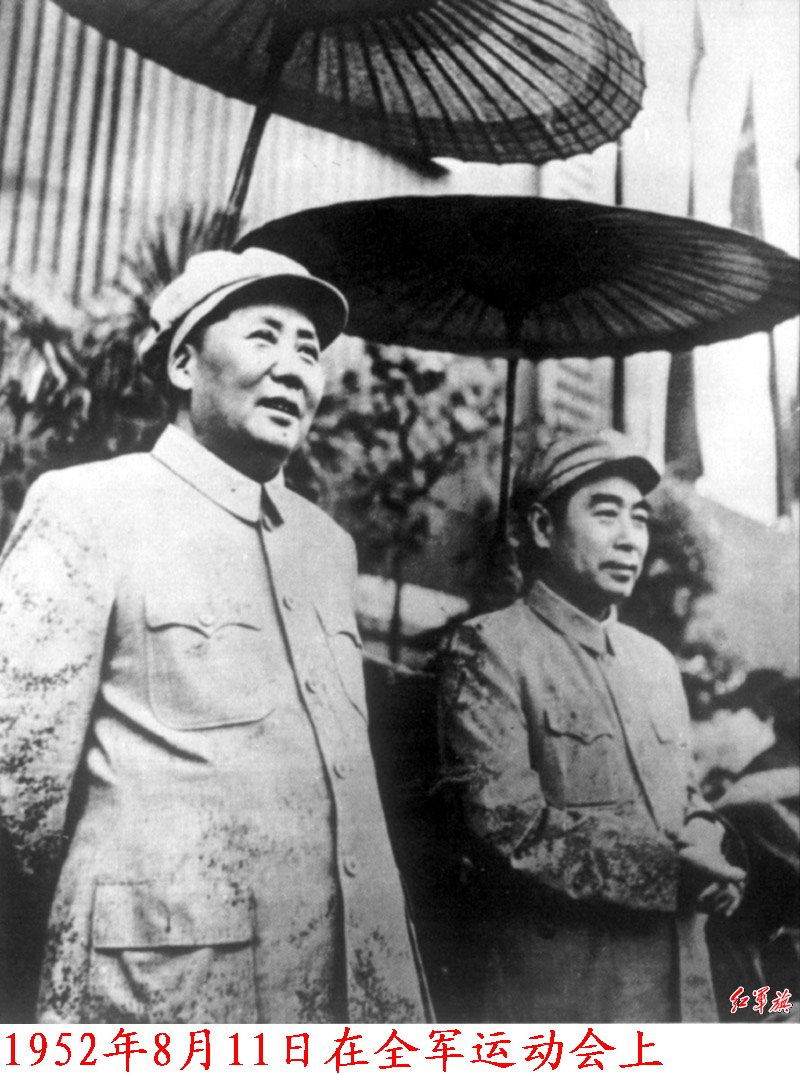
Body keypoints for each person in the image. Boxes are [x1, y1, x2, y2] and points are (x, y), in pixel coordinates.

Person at [0, 248, 426, 1023]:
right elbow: (17, 789)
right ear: (183, 363)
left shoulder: (327, 546)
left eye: (309, 351)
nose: (293, 369)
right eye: (264, 337)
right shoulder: (90, 507)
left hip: (343, 995)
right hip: (162, 992)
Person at [437, 429, 744, 1022]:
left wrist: (707, 840)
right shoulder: (490, 649)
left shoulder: (656, 664)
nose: (630, 538)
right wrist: (671, 872)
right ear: (542, 528)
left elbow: (686, 796)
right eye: (606, 514)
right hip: (570, 1000)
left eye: (639, 518)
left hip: (682, 992)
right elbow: (509, 828)